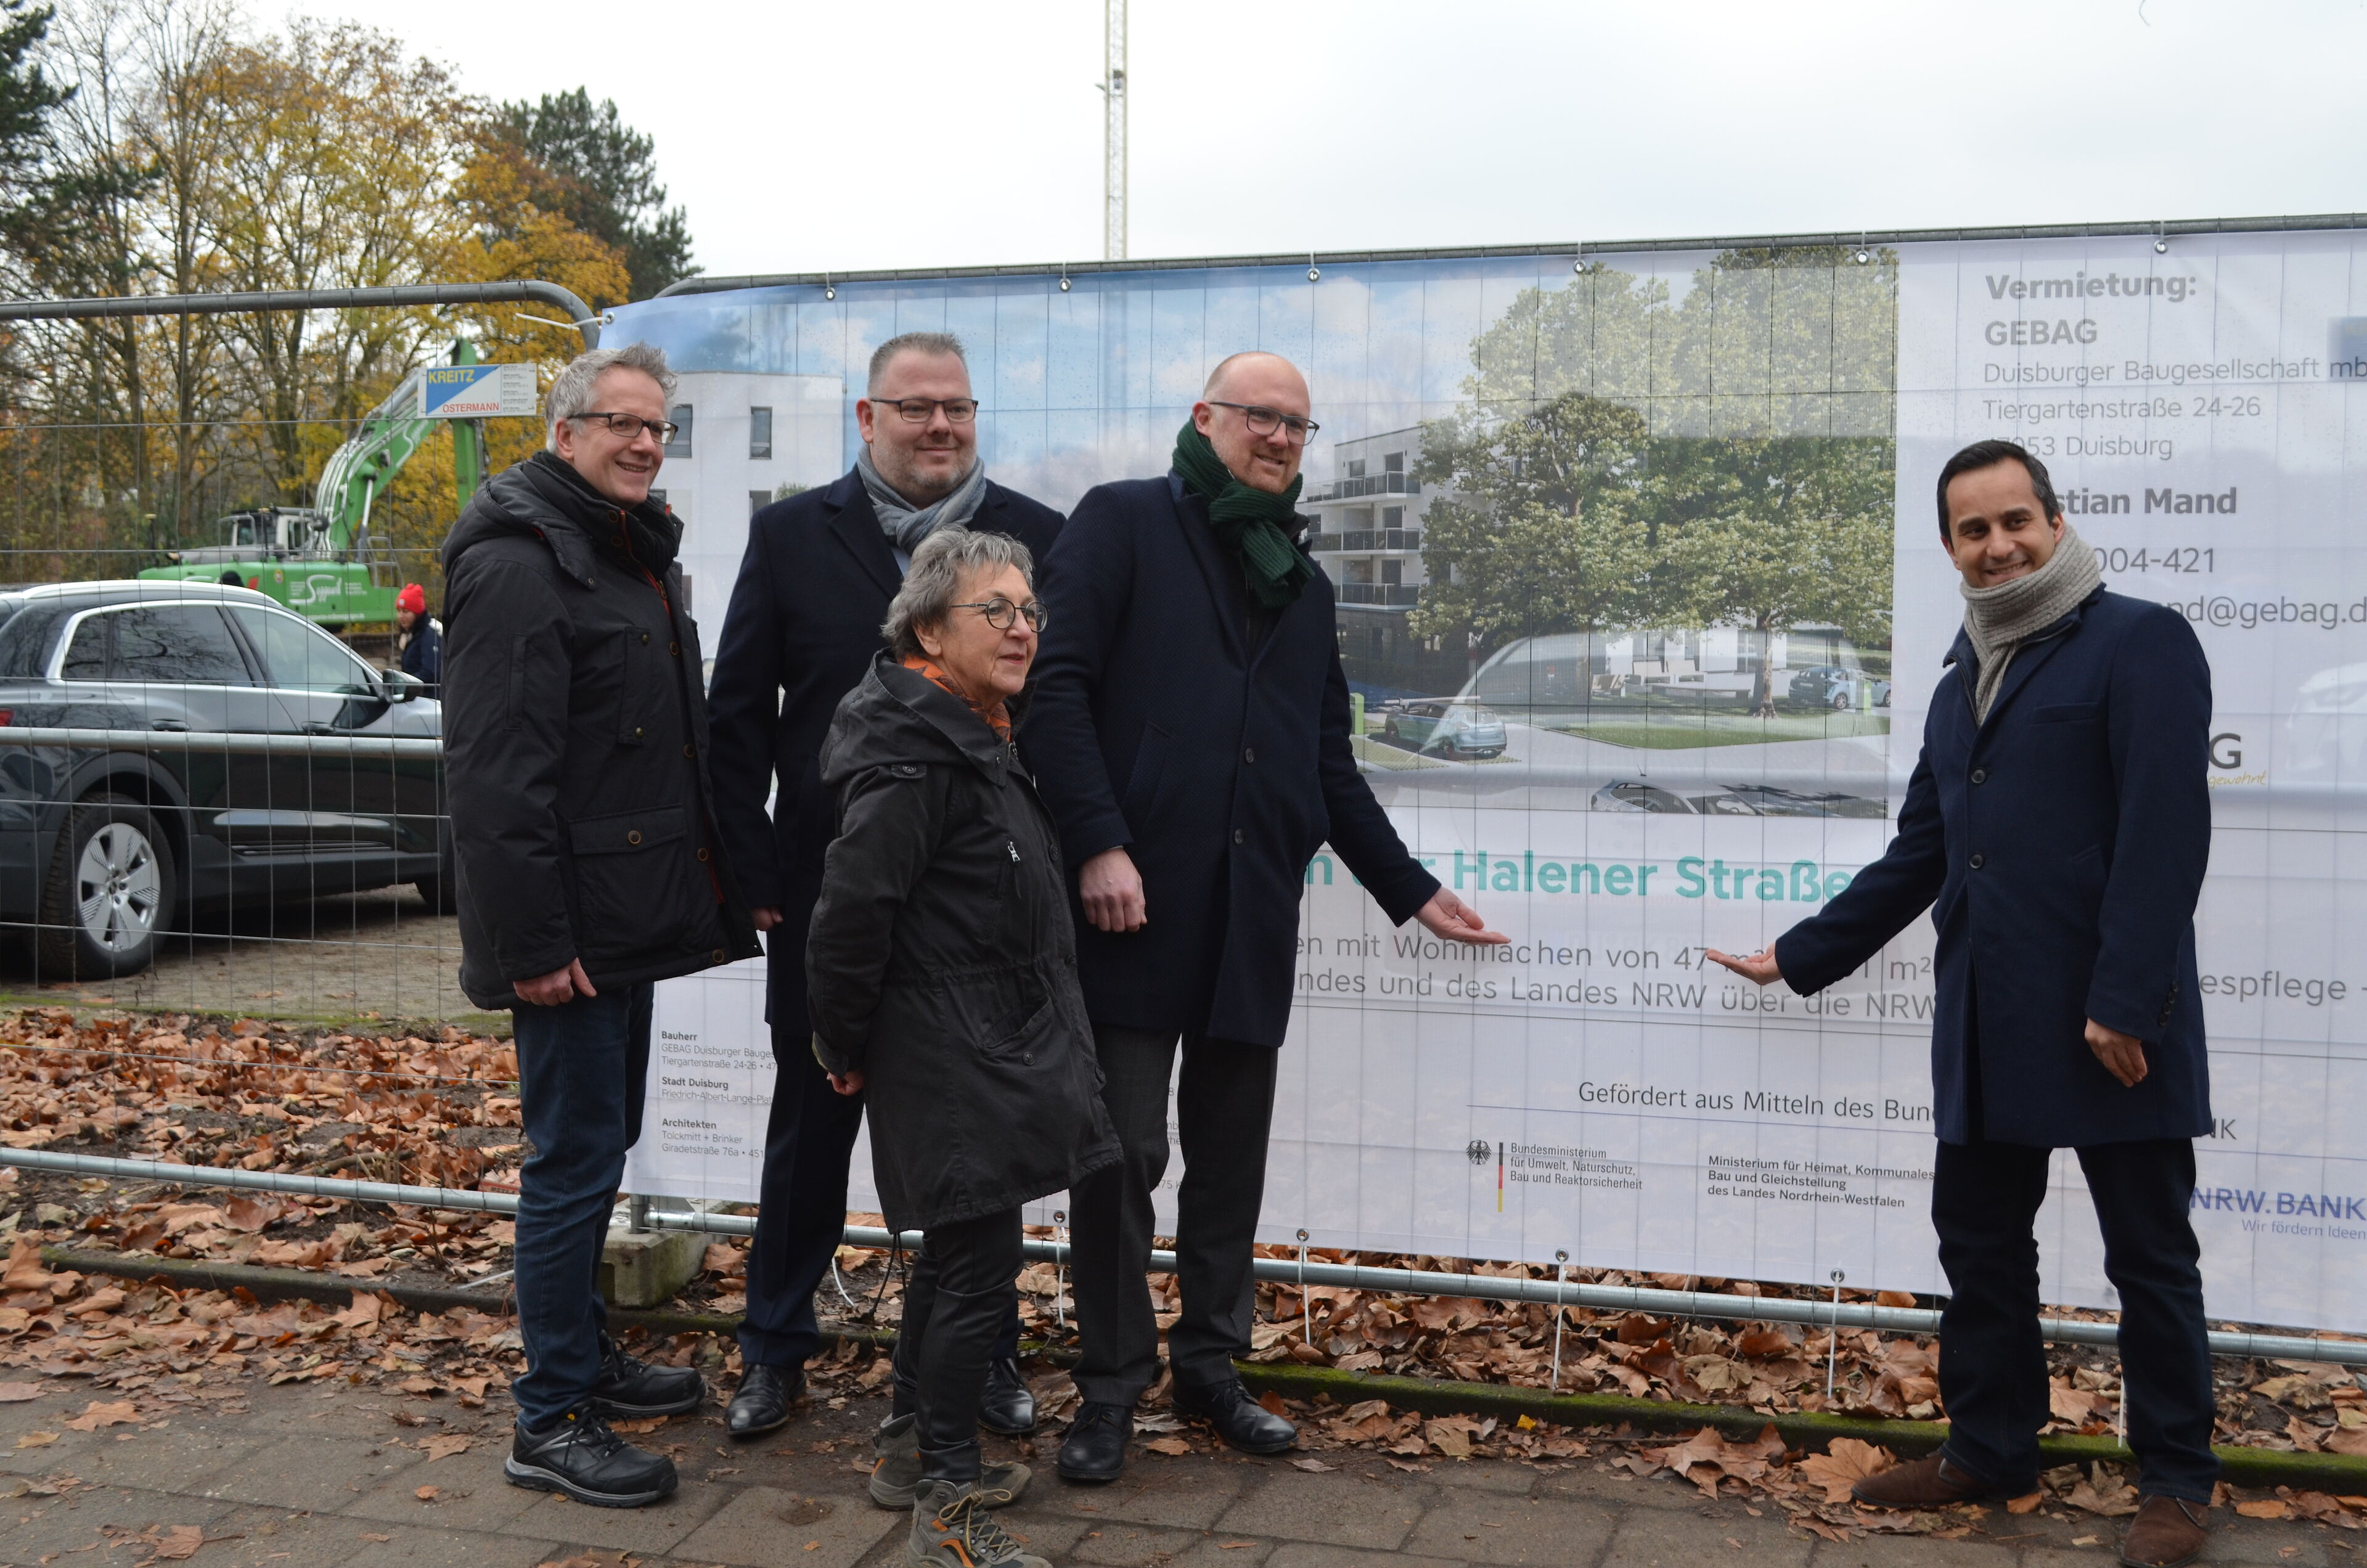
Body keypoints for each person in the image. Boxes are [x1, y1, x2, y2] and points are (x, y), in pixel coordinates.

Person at [1709, 439, 2216, 1568]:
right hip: (1988, 1019)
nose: (1999, 545)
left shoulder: (2140, 640)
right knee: (1982, 1247)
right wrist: (1799, 953)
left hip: (2111, 1019)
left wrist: (2126, 998)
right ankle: (1990, 1443)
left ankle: (2177, 1479)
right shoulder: (1956, 683)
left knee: (2151, 1260)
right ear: (1950, 547)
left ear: (2054, 519)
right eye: (1973, 530)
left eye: (2016, 521)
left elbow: (2164, 831)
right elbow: (1922, 853)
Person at [1024, 351, 1508, 1484]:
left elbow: (1325, 763)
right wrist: (1098, 838)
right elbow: (1052, 686)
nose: (1281, 438)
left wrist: (1412, 887)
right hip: (1129, 907)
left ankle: (1211, 1365)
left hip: (1250, 914)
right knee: (1123, 1152)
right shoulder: (1125, 523)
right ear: (1206, 417)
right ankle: (1108, 1384)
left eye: (1298, 424)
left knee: (1229, 1158)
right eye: (1260, 417)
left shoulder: (1303, 580)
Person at [707, 332, 1062, 1440]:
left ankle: (983, 1356)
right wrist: (753, 866)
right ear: (868, 418)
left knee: (981, 1147)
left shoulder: (1038, 543)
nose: (939, 426)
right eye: (915, 407)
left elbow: (1065, 719)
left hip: (981, 916)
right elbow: (735, 719)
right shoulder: (789, 536)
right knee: (809, 1137)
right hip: (832, 905)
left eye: (956, 406)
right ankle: (775, 1349)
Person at [441, 341, 761, 1508]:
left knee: (601, 1144)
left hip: (620, 919)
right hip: (566, 936)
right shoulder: (522, 563)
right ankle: (550, 1414)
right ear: (564, 432)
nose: (641, 441)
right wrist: (531, 945)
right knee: (571, 1164)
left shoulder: (620, 551)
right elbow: (494, 777)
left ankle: (584, 1357)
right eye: (619, 422)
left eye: (656, 426)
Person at [808, 526, 1118, 1568]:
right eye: (999, 610)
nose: (1023, 626)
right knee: (977, 1268)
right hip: (950, 1056)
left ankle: (910, 1451)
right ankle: (945, 1511)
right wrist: (841, 1041)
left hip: (980, 1045)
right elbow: (850, 915)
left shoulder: (971, 731)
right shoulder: (917, 755)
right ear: (931, 627)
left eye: (1031, 609)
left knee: (958, 1256)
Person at [394, 582, 440, 696]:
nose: (401, 616)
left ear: (417, 613)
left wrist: (404, 684)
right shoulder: (412, 635)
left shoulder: (429, 635)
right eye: (399, 611)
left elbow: (430, 672)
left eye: (406, 612)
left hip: (430, 701)